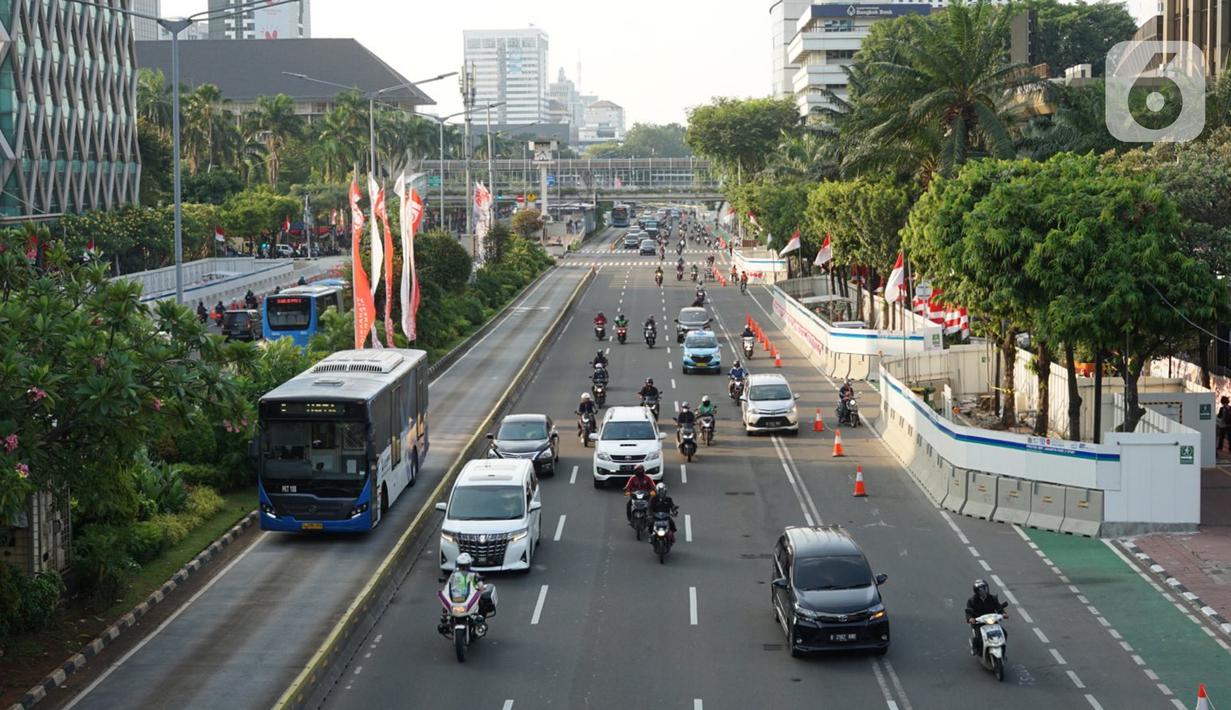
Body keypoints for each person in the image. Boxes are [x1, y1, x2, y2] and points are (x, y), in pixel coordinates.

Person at [965, 579, 1009, 657]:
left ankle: (1003, 651)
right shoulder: (972, 601)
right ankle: (976, 649)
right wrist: (970, 619)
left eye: (985, 588)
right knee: (978, 638)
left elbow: (998, 607)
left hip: (992, 620)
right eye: (981, 590)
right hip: (979, 622)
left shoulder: (992, 598)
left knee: (1004, 633)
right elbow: (969, 611)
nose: (984, 591)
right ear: (976, 591)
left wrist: (1003, 613)